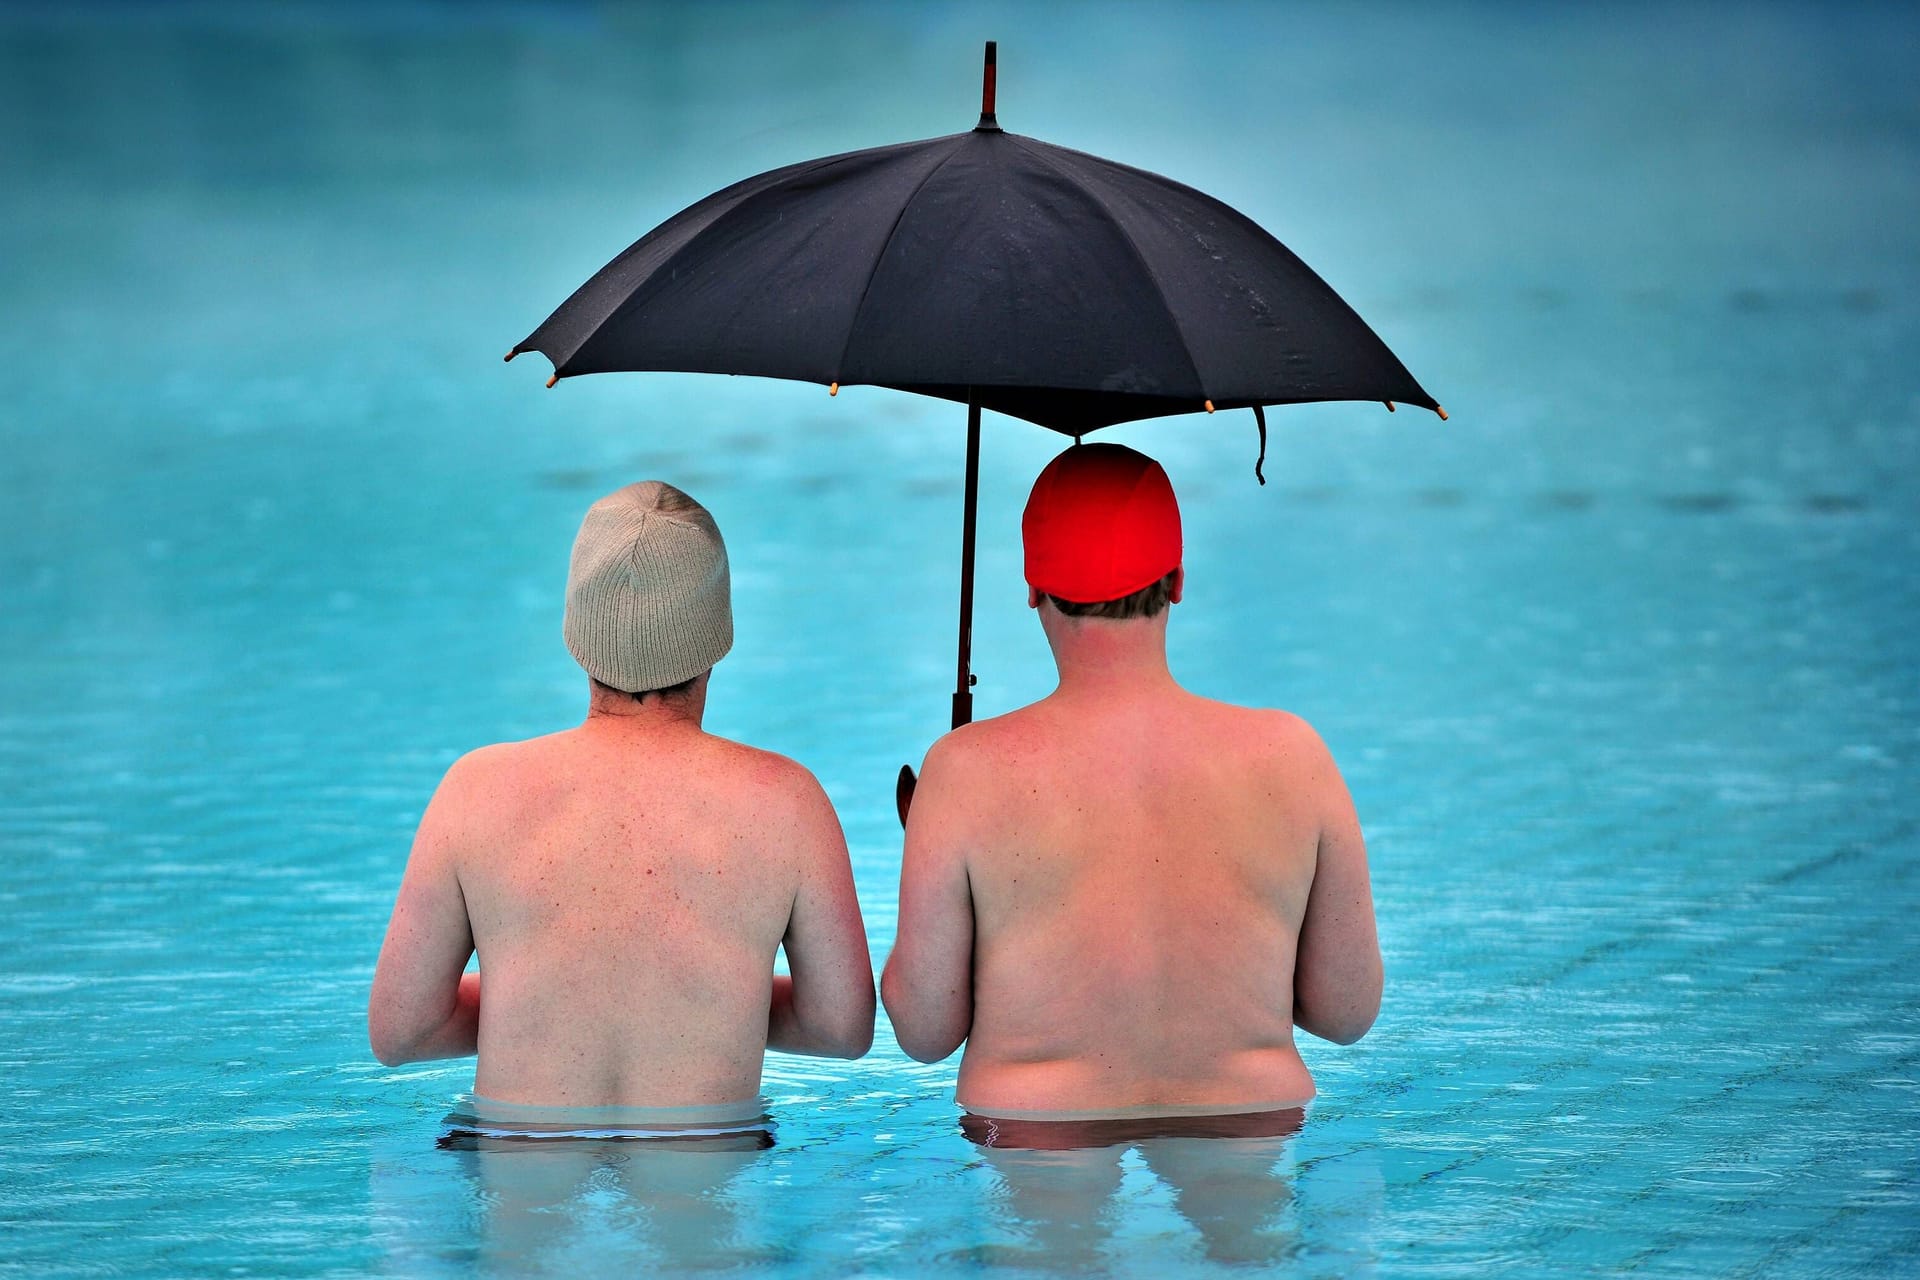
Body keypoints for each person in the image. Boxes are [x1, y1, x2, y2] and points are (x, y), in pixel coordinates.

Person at [882, 443, 1380, 1138]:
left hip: (1037, 1124)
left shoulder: (964, 771)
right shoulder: (1294, 755)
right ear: (1177, 581)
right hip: (1250, 1116)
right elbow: (1346, 1013)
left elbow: (925, 1031)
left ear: (1031, 586)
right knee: (1249, 1245)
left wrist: (936, 847)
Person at [369, 481, 873, 1129]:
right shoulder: (787, 801)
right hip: (706, 1150)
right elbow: (841, 1028)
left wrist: (555, 995)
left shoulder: (476, 789)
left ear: (577, 638)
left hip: (518, 1146)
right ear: (716, 640)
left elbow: (401, 1032)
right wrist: (708, 996)